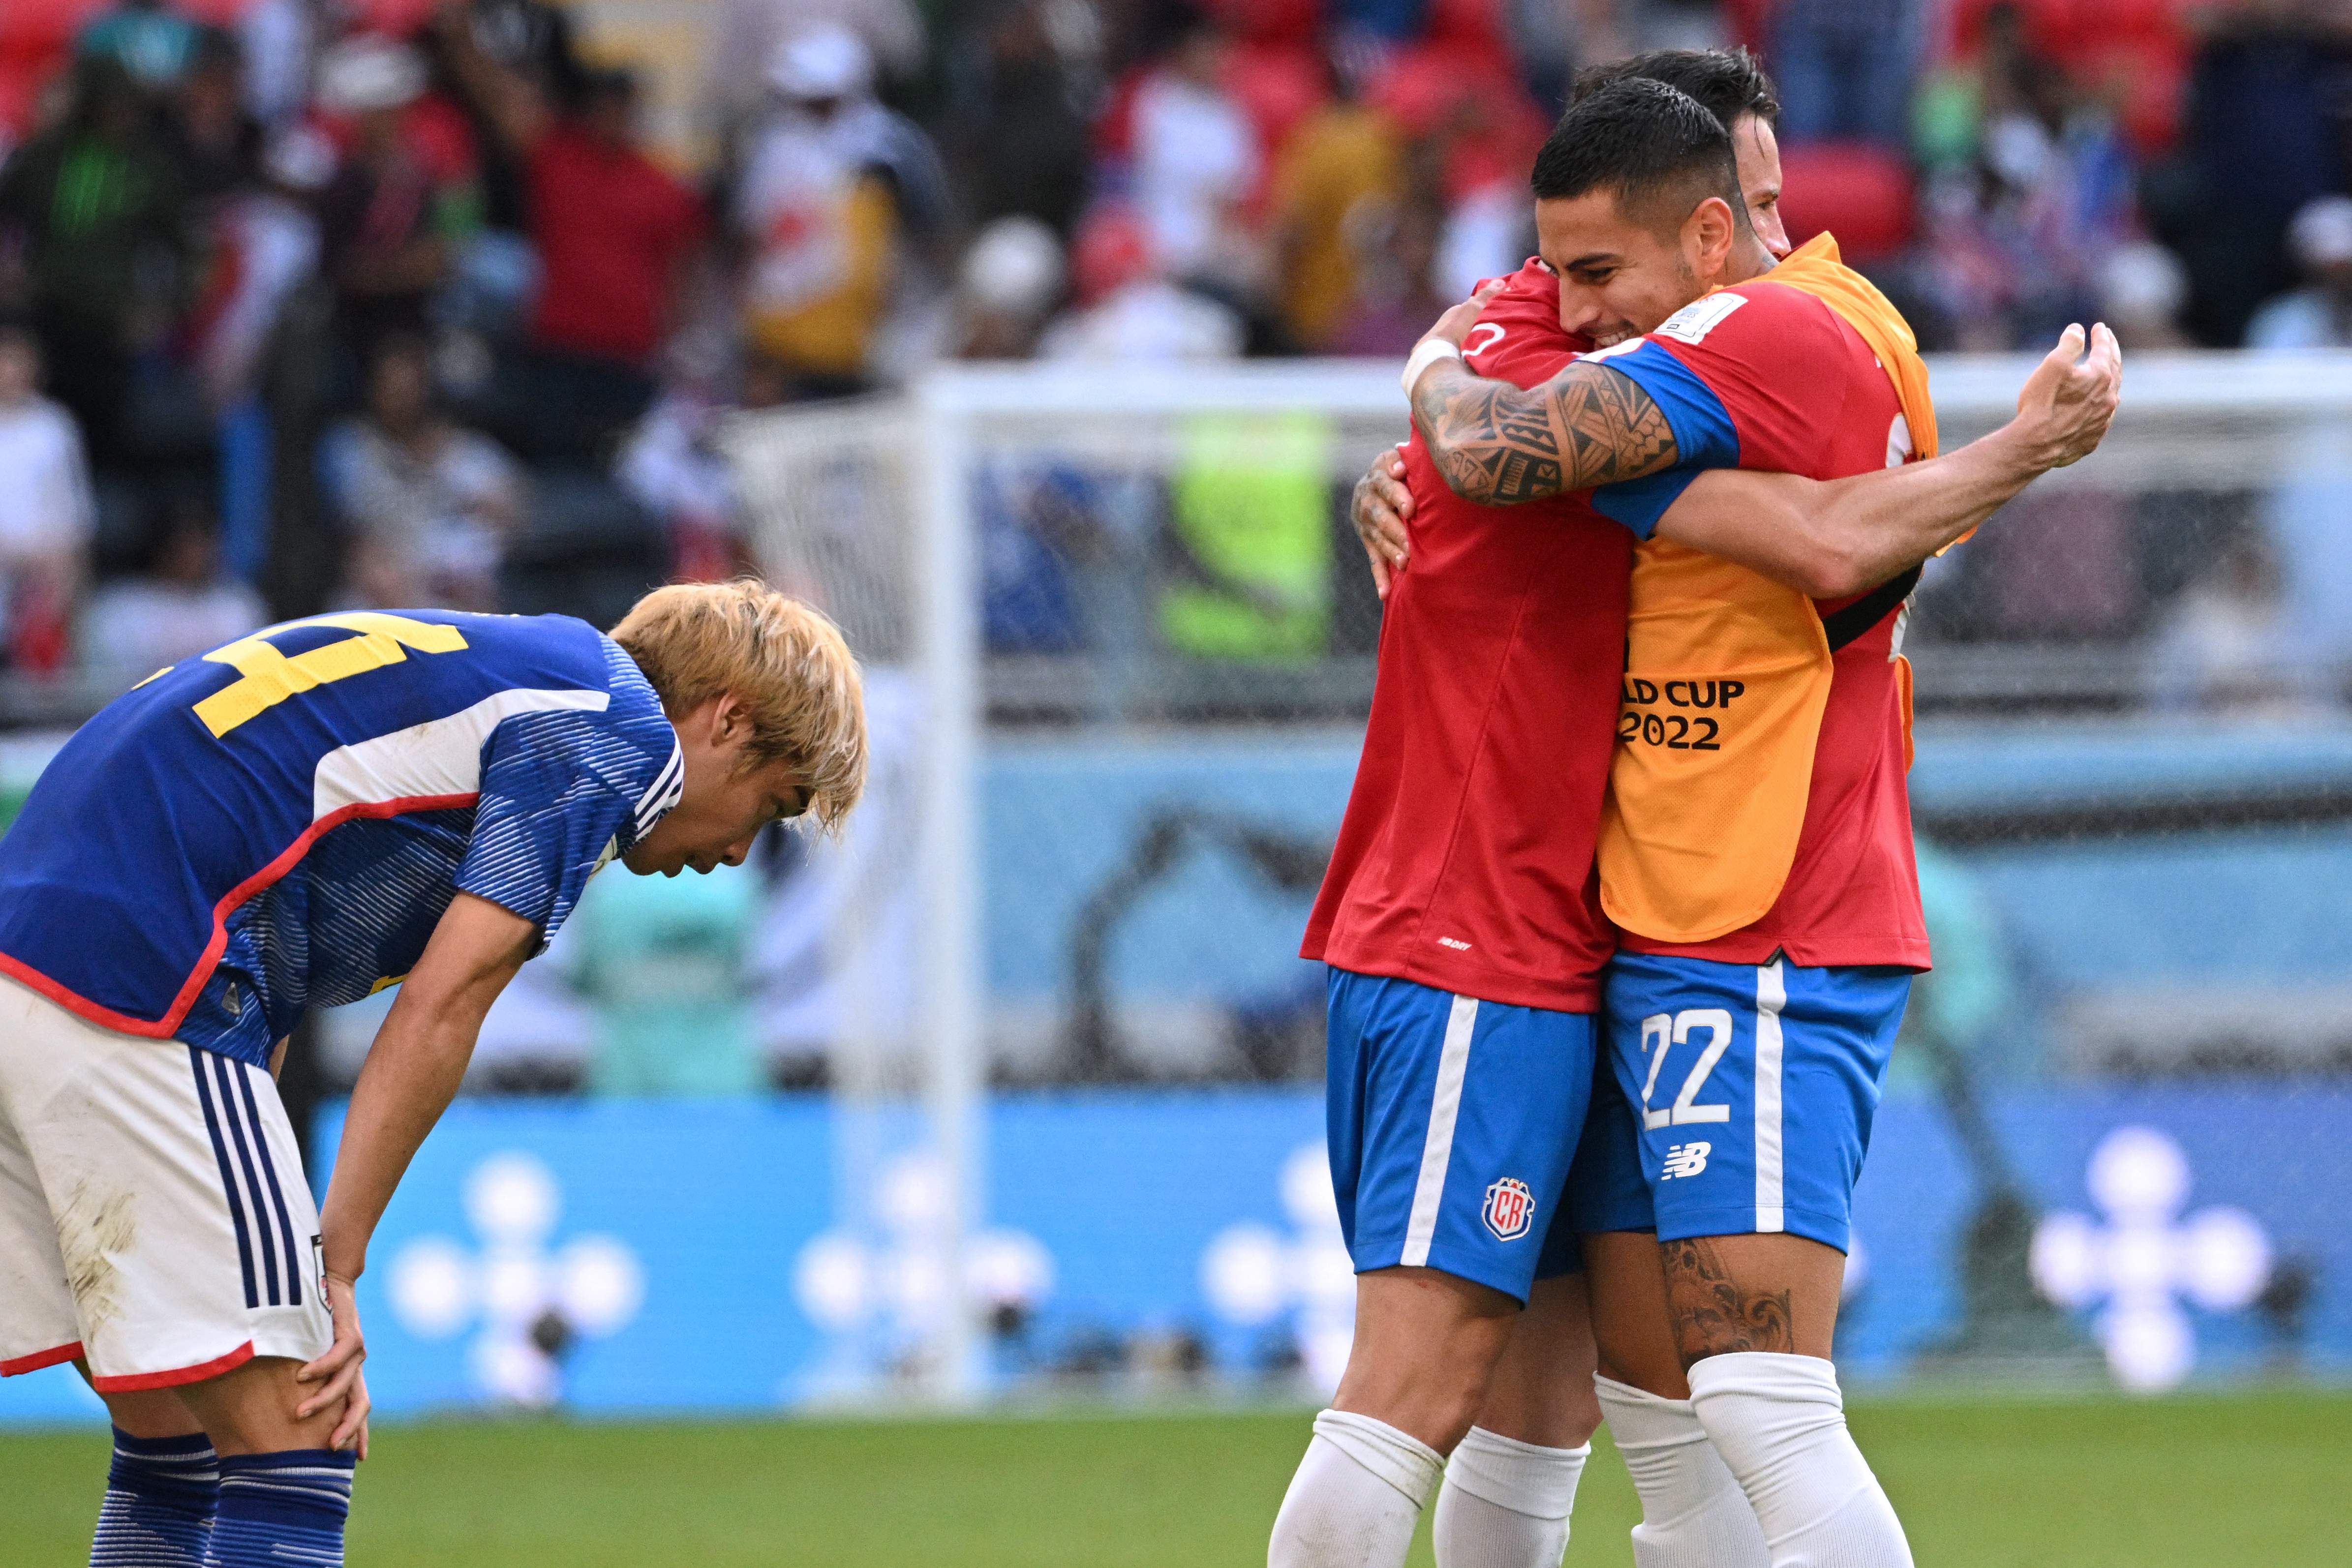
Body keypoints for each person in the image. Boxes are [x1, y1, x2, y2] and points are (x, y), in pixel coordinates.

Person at [1284, 61, 2117, 1568]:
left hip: (1728, 925)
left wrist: (1427, 407)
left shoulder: (1763, 333)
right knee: (1512, 1398)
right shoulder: (1580, 336)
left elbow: (1804, 531)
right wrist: (1419, 453)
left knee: (1697, 1406)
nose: (1786, 239)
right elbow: (1721, 510)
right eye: (1571, 267)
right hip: (1515, 923)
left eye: (1777, 206)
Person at [0, 578, 866, 1568]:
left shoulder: (508, 666)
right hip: (144, 972)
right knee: (300, 1430)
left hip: (34, 951)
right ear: (727, 718)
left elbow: (267, 947)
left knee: (178, 1431)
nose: (738, 851)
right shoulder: (614, 733)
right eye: (772, 802)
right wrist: (332, 1262)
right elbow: (446, 1001)